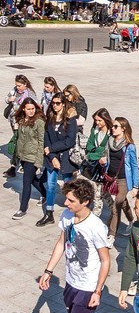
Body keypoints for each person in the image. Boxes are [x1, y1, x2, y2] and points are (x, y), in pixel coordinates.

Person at [37, 178, 113, 313]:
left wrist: (97, 291)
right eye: (66, 199)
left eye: (71, 200)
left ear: (85, 201)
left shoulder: (95, 226)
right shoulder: (67, 216)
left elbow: (106, 260)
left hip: (88, 288)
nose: (66, 203)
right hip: (71, 282)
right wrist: (48, 270)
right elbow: (62, 242)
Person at [42, 92, 81, 226]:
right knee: (51, 186)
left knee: (68, 185)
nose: (54, 106)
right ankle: (49, 213)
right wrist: (52, 156)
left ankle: (75, 212)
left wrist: (51, 149)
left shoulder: (70, 120)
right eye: (53, 103)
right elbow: (46, 139)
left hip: (65, 158)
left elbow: (69, 141)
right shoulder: (50, 118)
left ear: (63, 104)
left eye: (57, 103)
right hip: (52, 158)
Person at [10, 96, 45, 220]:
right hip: (22, 155)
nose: (31, 111)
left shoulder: (39, 122)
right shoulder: (21, 120)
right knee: (32, 179)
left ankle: (22, 209)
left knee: (26, 182)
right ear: (23, 109)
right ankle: (46, 194)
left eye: (33, 108)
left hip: (32, 156)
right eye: (29, 109)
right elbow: (18, 139)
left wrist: (38, 161)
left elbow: (41, 142)